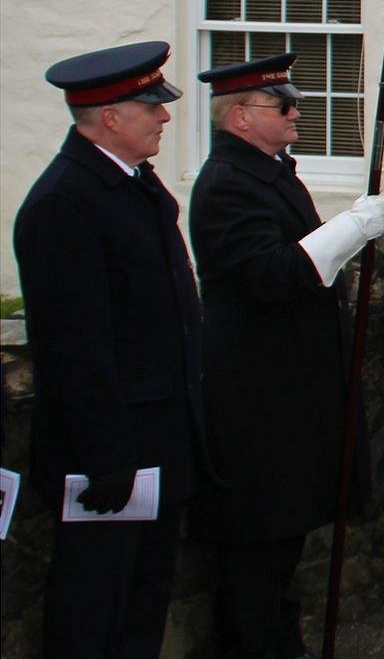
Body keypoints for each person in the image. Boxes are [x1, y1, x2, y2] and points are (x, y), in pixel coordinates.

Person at [188, 53, 384, 659]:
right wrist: (350, 230)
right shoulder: (227, 184)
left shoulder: (268, 171)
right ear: (243, 117)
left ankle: (278, 641)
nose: (297, 112)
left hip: (288, 386)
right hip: (256, 394)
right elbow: (272, 274)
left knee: (283, 541)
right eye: (285, 104)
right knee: (258, 541)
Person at [13, 42, 205, 658]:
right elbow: (74, 349)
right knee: (94, 604)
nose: (164, 117)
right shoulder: (64, 203)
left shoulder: (129, 185)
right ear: (111, 118)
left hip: (157, 438)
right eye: (151, 107)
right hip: (110, 454)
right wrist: (107, 458)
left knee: (143, 598)